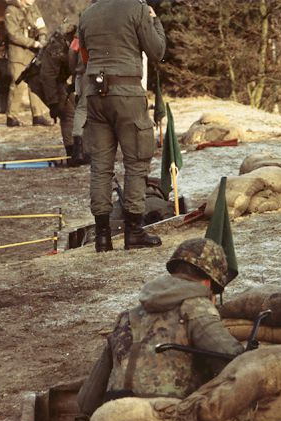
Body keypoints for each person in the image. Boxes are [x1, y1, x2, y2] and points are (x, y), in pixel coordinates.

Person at [76, 238, 243, 417]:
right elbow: (231, 358)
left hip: (112, 411)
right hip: (163, 412)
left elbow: (87, 400)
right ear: (207, 283)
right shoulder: (196, 307)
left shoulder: (126, 317)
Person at [78, 0, 167, 252]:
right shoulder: (137, 9)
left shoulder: (87, 14)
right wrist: (154, 20)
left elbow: (84, 56)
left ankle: (103, 237)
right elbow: (157, 51)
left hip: (95, 94)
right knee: (136, 162)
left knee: (100, 167)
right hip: (127, 93)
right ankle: (134, 232)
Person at [22, 22, 88, 165]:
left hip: (57, 81)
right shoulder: (56, 47)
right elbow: (47, 76)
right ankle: (73, 153)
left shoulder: (72, 43)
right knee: (67, 113)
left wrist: (72, 87)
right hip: (41, 80)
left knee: (75, 111)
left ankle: (79, 150)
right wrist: (53, 103)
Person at [4, 0, 53, 127]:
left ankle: (38, 115)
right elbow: (13, 34)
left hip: (32, 54)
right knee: (18, 84)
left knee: (35, 83)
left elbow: (41, 25)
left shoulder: (33, 8)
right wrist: (33, 43)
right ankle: (12, 117)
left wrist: (42, 37)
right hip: (18, 54)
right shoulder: (10, 10)